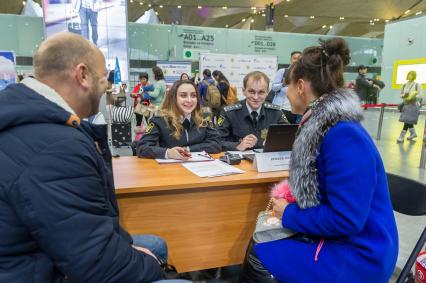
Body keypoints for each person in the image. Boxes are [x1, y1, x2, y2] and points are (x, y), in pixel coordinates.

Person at [0, 32, 188, 283]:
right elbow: (97, 264)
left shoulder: (25, 118)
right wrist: (155, 268)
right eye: (104, 79)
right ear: (83, 75)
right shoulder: (58, 146)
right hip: (38, 270)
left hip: (40, 253)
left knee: (154, 245)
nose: (107, 88)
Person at [239, 38, 398, 283]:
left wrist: (290, 214)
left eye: (287, 85)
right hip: (346, 240)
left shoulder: (343, 134)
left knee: (260, 253)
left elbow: (346, 219)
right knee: (261, 238)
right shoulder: (326, 126)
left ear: (301, 86)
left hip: (361, 254)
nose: (286, 93)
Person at [137, 80, 221, 159]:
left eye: (193, 95)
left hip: (200, 169)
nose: (189, 100)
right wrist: (168, 153)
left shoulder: (203, 118)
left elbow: (216, 144)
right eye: (183, 95)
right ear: (174, 98)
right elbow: (142, 148)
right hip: (171, 171)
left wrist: (188, 149)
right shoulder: (159, 120)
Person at [217, 71, 289, 151]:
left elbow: (288, 136)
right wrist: (237, 146)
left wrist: (275, 142)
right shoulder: (229, 113)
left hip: (266, 160)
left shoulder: (276, 112)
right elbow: (216, 141)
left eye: (261, 92)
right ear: (243, 91)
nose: (256, 97)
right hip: (239, 162)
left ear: (267, 92)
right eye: (251, 92)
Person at [269, 51, 302, 124]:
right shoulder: (282, 71)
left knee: (292, 131)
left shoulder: (303, 74)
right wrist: (283, 84)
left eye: (299, 59)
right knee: (278, 130)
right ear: (290, 60)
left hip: (294, 109)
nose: (296, 60)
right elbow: (274, 88)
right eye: (294, 58)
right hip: (280, 108)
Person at [397, 70, 423, 143]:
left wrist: (413, 96)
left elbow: (421, 95)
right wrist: (404, 96)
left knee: (407, 120)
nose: (409, 76)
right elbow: (400, 94)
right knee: (408, 119)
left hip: (414, 104)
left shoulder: (417, 85)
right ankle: (413, 133)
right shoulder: (404, 85)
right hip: (406, 104)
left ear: (414, 76)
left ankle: (402, 136)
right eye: (409, 74)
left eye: (411, 75)